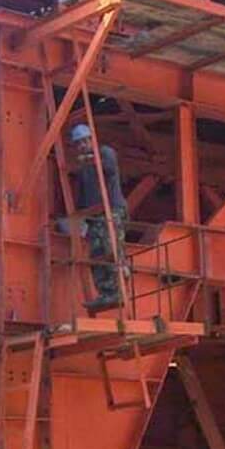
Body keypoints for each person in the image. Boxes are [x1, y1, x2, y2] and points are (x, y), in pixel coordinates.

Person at [68, 123, 127, 312]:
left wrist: (90, 159)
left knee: (111, 247)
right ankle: (105, 293)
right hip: (95, 214)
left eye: (84, 141)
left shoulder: (105, 152)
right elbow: (84, 195)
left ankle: (118, 288)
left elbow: (109, 168)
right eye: (79, 143)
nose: (82, 145)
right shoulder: (84, 168)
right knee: (96, 254)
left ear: (92, 139)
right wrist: (81, 217)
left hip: (112, 209)